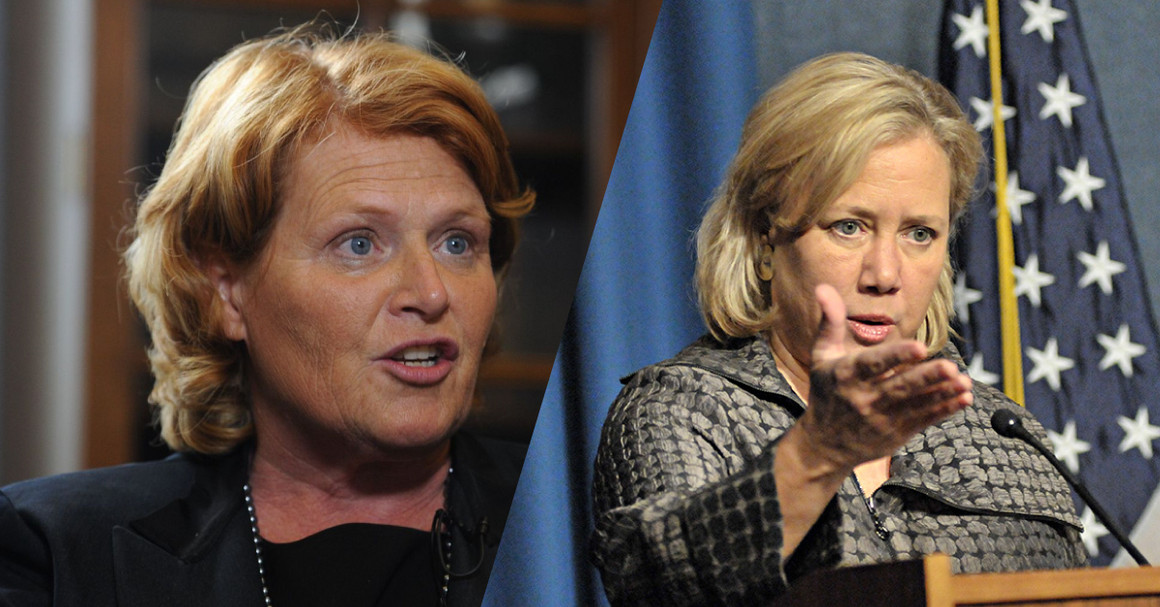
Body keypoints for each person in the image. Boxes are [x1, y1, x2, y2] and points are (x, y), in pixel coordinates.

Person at [0, 23, 535, 607]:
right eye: (359, 244)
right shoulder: (54, 553)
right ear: (226, 292)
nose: (431, 293)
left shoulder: (586, 520)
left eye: (456, 243)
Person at [591, 52, 1087, 607]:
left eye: (919, 234)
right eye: (849, 226)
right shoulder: (684, 410)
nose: (885, 275)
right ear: (764, 238)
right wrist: (818, 451)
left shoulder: (1006, 438)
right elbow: (663, 587)